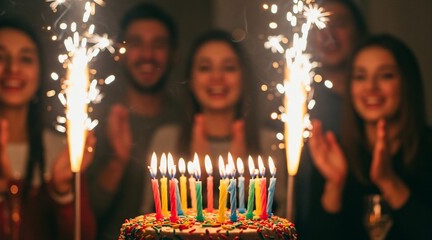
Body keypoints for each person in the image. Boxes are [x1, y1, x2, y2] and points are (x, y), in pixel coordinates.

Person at [308, 34, 432, 239]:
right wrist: (334, 185)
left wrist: (388, 181)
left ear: (406, 82)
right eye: (360, 77)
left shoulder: (427, 150)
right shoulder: (333, 153)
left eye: (386, 75)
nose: (371, 87)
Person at [150, 29, 286, 212]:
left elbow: (285, 219)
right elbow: (151, 216)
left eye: (229, 68)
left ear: (243, 77)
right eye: (205, 68)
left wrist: (240, 190)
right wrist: (200, 186)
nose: (217, 77)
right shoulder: (166, 140)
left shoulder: (269, 142)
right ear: (190, 79)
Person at [86, 3, 183, 240]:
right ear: (120, 52)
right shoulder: (93, 121)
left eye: (158, 44)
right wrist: (118, 162)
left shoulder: (187, 120)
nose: (147, 55)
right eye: (136, 43)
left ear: (173, 55)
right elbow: (84, 215)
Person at [0, 17, 96, 239]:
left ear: (41, 72)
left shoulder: (61, 149)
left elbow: (84, 235)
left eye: (26, 59)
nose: (13, 68)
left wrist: (62, 190)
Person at [294, 0, 368, 236]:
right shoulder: (294, 102)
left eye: (340, 23)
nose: (329, 34)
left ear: (357, 31)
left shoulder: (372, 105)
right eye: (320, 24)